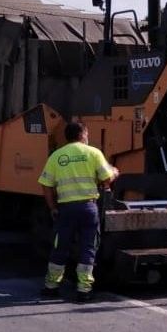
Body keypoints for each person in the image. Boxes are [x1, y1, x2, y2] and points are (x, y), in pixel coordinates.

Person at [38, 121, 119, 302]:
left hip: (65, 209)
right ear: (83, 135)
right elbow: (107, 179)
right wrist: (115, 171)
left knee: (60, 246)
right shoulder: (94, 153)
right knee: (88, 247)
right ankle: (84, 289)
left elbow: (46, 185)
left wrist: (52, 208)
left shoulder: (57, 156)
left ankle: (51, 286)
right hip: (88, 208)